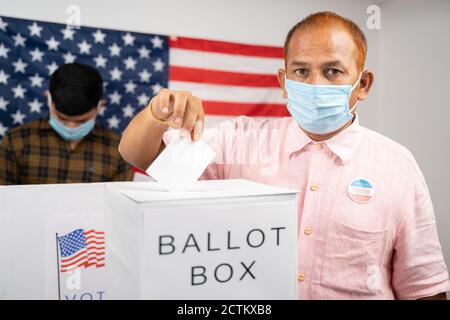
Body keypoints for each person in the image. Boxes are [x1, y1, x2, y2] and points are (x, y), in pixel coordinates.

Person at [117, 12, 449, 299]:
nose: (315, 83)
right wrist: (157, 113)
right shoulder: (239, 142)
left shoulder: (396, 166)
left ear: (362, 84)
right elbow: (138, 154)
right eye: (301, 71)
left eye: (333, 71)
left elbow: (423, 287)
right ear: (284, 80)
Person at [0, 63, 133, 184]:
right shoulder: (15, 142)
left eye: (82, 121)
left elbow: (119, 206)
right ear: (48, 100)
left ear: (100, 106)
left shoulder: (120, 150)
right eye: (62, 119)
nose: (71, 127)